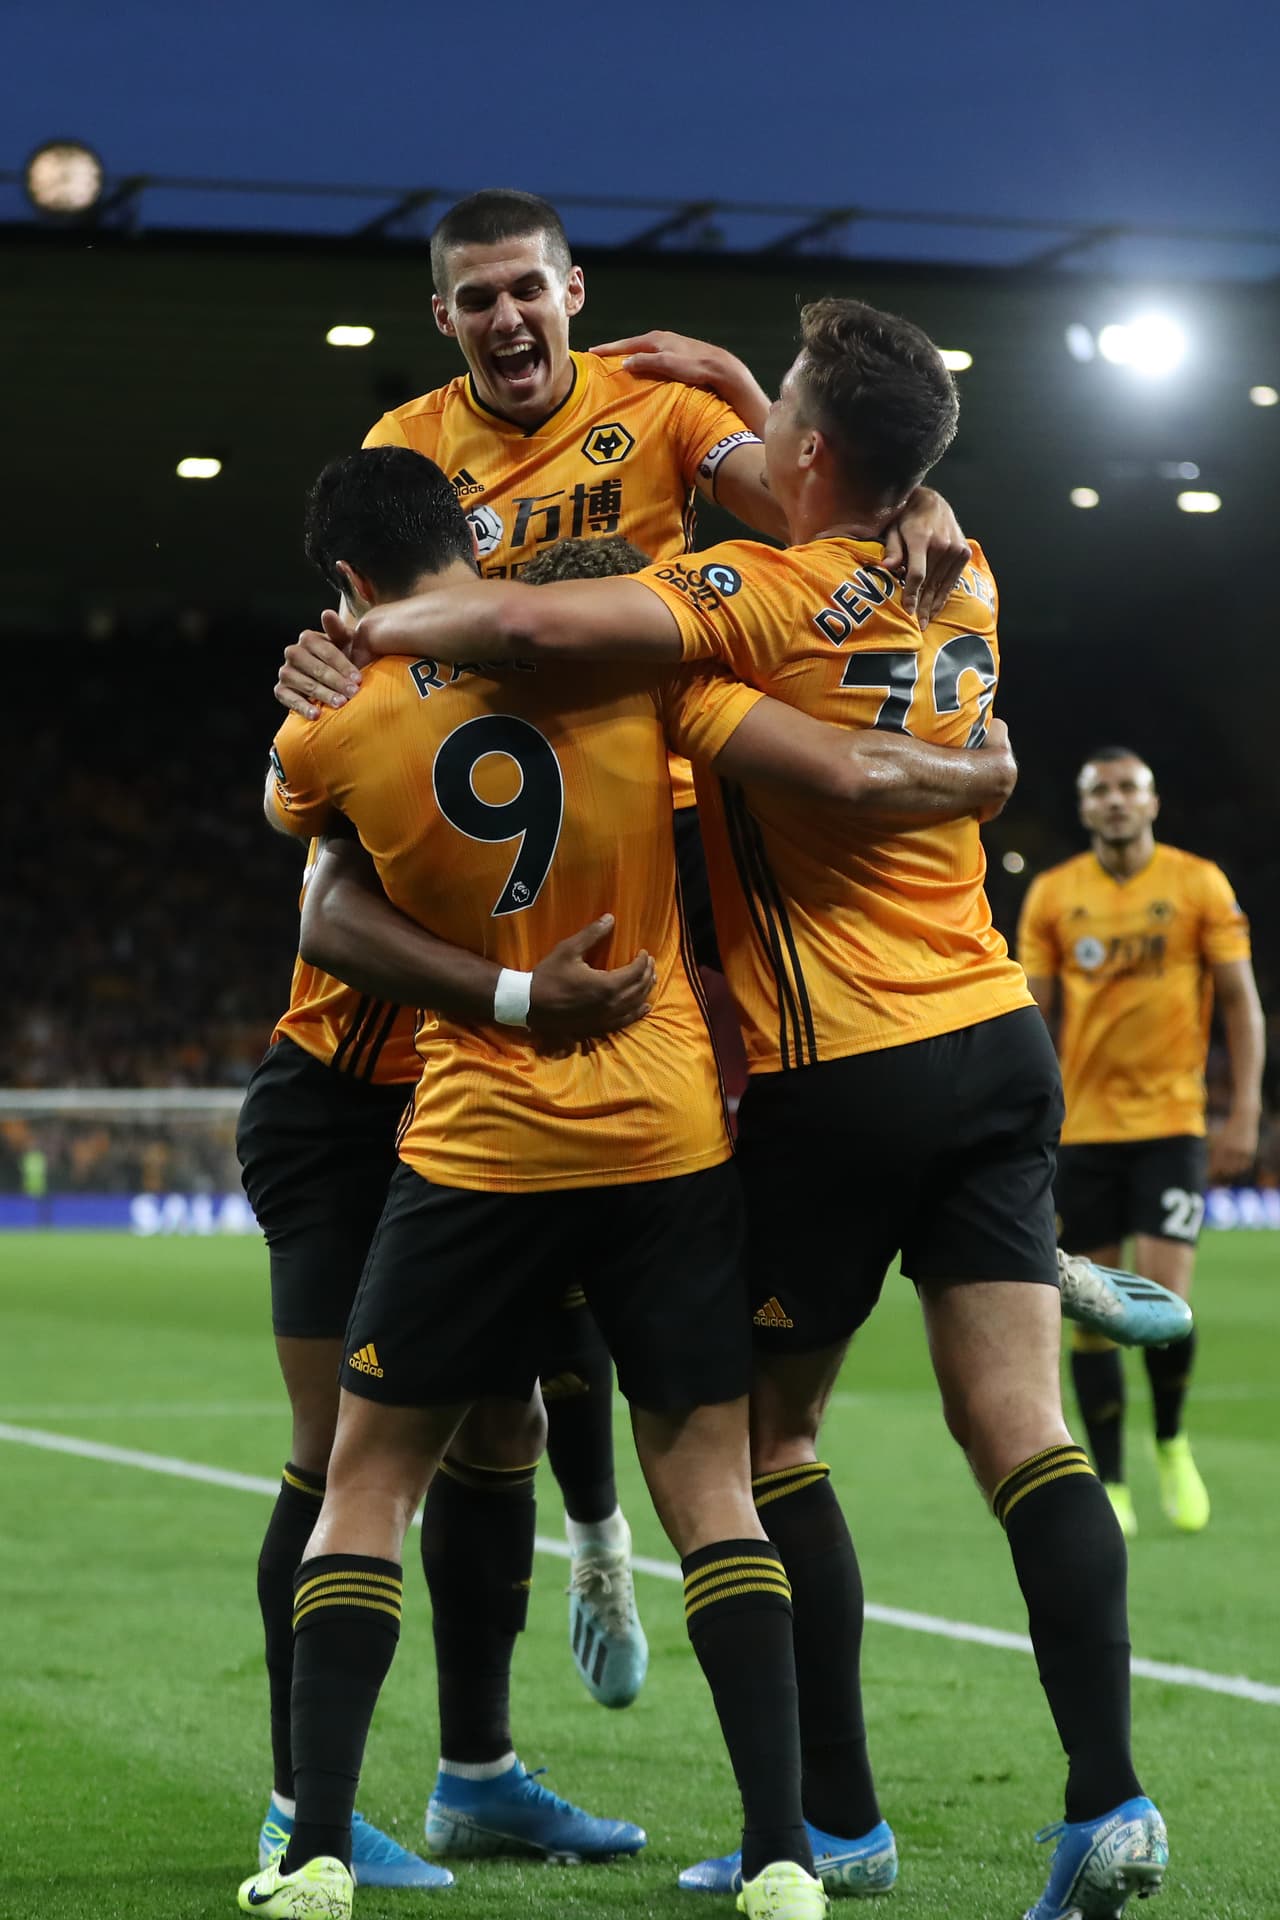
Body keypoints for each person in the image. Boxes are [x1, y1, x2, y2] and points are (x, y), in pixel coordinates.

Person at [323, 299, 1172, 1920]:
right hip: (997, 1039)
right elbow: (865, 511)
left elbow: (569, 644)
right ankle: (1106, 1799)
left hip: (838, 1068)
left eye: (775, 405)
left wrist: (378, 625)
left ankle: (837, 1824)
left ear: (807, 451)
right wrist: (726, 383)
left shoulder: (735, 608)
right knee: (1026, 1435)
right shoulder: (965, 565)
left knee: (767, 1438)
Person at [238, 444, 1018, 1920]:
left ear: (347, 583)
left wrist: (338, 680)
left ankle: (316, 1849)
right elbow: (835, 763)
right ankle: (786, 1857)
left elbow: (312, 870)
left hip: (476, 1135)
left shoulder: (329, 734)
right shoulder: (640, 686)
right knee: (714, 1486)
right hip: (664, 1133)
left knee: (366, 1481)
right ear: (474, 534)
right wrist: (977, 757)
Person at [273, 185, 971, 1697]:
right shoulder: (405, 447)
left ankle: (1003, 1236)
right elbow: (375, 607)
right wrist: (337, 654)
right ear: (444, 319)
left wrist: (915, 496)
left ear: (574, 290)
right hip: (501, 865)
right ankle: (595, 1540)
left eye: (529, 288)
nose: (509, 318)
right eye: (479, 300)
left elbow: (812, 507)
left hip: (668, 840)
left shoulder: (652, 414)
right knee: (559, 1245)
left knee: (773, 1091)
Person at [1017, 748, 1264, 1537]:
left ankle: (1170, 1442)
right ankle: (1112, 1481)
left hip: (1170, 1124)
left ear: (1153, 802)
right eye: (1101, 792)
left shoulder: (1198, 884)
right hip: (1085, 1130)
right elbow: (1030, 1017)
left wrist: (1245, 1109)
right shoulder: (1055, 895)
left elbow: (1240, 1004)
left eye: (1129, 789)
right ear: (1085, 809)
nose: (1116, 802)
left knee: (1166, 1305)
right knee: (1092, 1314)